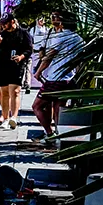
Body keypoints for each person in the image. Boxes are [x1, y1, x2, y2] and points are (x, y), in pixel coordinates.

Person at [32, 11, 84, 140]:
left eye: (56, 18)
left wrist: (38, 72)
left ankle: (49, 133)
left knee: (37, 106)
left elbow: (50, 56)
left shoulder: (60, 37)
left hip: (55, 78)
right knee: (58, 107)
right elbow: (80, 59)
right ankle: (60, 136)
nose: (53, 19)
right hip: (68, 78)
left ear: (62, 22)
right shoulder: (79, 38)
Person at [0, 14, 32, 130]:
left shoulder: (24, 33)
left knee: (15, 91)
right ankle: (5, 118)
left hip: (16, 65)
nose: (3, 25)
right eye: (2, 23)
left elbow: (29, 49)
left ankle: (13, 117)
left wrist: (21, 57)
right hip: (3, 65)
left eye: (6, 23)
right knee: (4, 92)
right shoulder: (1, 34)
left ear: (13, 21)